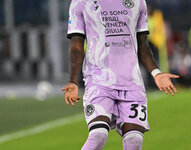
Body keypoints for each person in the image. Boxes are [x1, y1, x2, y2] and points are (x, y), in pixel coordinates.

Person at [62, 0, 179, 149]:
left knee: (134, 142)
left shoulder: (138, 2)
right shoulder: (81, 2)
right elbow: (76, 46)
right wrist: (73, 81)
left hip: (132, 84)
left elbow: (143, 44)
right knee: (98, 135)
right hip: (99, 80)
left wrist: (156, 73)